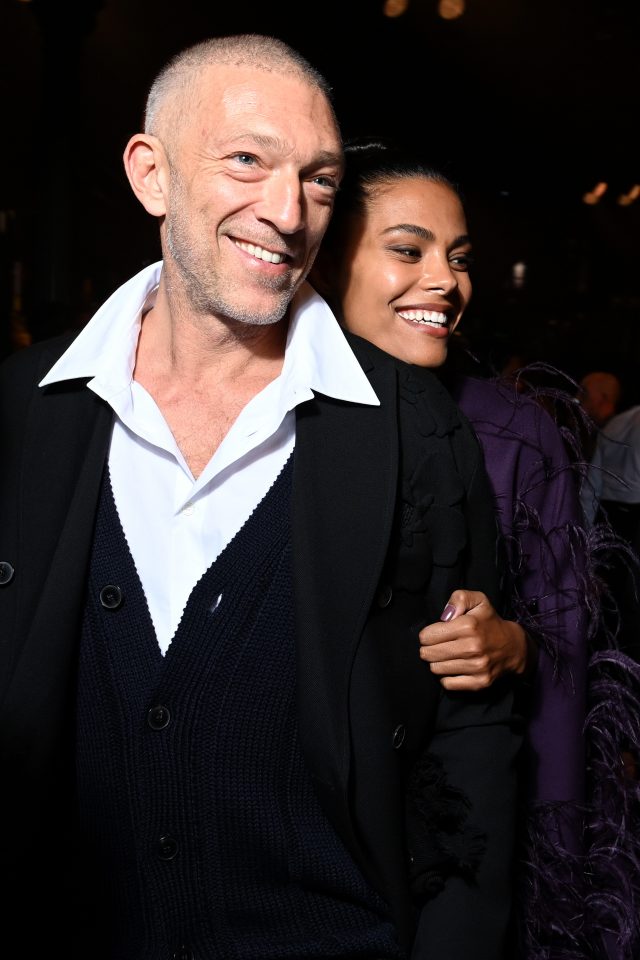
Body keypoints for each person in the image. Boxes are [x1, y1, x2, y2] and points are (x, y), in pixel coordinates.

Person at [0, 35, 522, 959]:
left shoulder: (415, 429)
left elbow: (471, 733)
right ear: (151, 174)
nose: (287, 213)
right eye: (247, 160)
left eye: (319, 181)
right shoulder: (23, 409)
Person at [310, 137, 640, 960]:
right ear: (329, 262)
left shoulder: (515, 434)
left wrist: (514, 644)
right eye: (408, 250)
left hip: (458, 839)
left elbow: (569, 639)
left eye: (458, 258)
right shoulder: (264, 421)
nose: (445, 281)